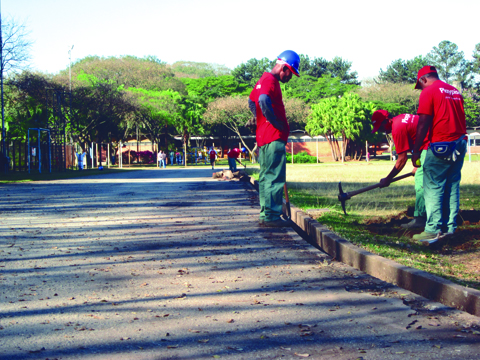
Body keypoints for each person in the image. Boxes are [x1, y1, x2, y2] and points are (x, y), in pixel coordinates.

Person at [411, 65, 467, 243]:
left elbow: (423, 122)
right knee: (451, 186)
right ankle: (449, 228)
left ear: (423, 79)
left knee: (433, 187)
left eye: (420, 85)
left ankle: (433, 230)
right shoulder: (455, 91)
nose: (421, 89)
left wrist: (416, 150)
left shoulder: (429, 92)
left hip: (441, 146)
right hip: (459, 144)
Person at [248, 50, 299, 227]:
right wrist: (274, 121)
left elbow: (251, 101)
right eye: (290, 74)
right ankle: (271, 217)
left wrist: (260, 119)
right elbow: (262, 100)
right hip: (273, 137)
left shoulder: (262, 79)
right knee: (275, 177)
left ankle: (266, 214)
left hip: (264, 137)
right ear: (284, 68)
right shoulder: (271, 80)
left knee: (265, 177)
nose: (289, 78)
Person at [371, 110, 429, 229]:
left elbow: (402, 160)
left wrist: (388, 179)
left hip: (430, 147)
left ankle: (421, 219)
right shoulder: (401, 118)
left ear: (387, 120)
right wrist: (417, 166)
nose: (382, 131)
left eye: (381, 127)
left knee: (420, 183)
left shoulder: (397, 129)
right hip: (432, 145)